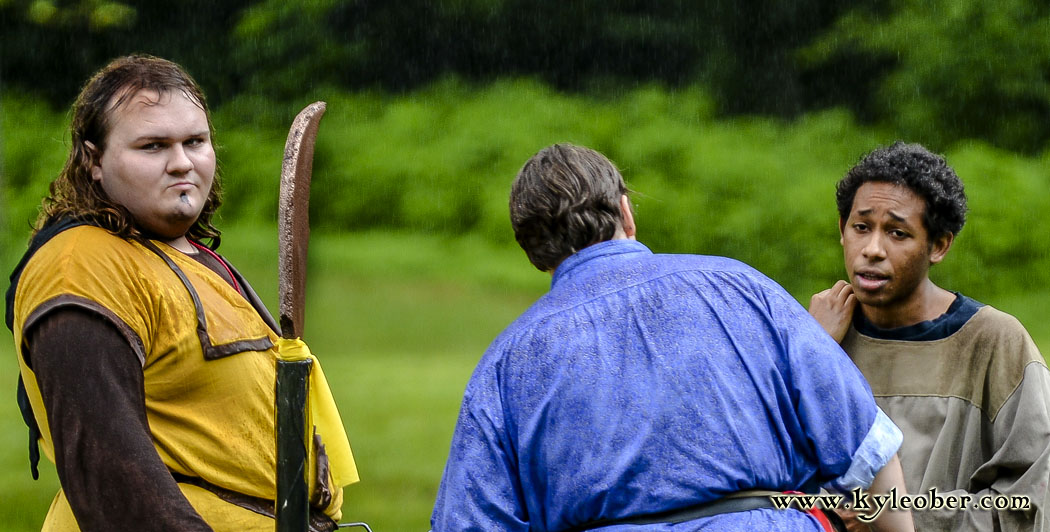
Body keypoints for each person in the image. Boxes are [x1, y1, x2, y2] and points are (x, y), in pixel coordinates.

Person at [431, 143, 913, 531]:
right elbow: (868, 451)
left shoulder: (506, 363)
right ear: (625, 210)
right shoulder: (737, 286)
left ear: (533, 251)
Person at [6, 55, 358, 531]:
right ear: (93, 161)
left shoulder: (181, 256)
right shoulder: (82, 267)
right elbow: (112, 482)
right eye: (153, 146)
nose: (182, 162)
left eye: (195, 141)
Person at [809, 142, 1050, 531]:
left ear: (938, 245)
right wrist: (813, 354)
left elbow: (1031, 501)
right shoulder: (817, 337)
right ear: (841, 230)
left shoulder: (994, 343)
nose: (872, 249)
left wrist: (893, 517)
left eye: (897, 233)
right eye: (861, 227)